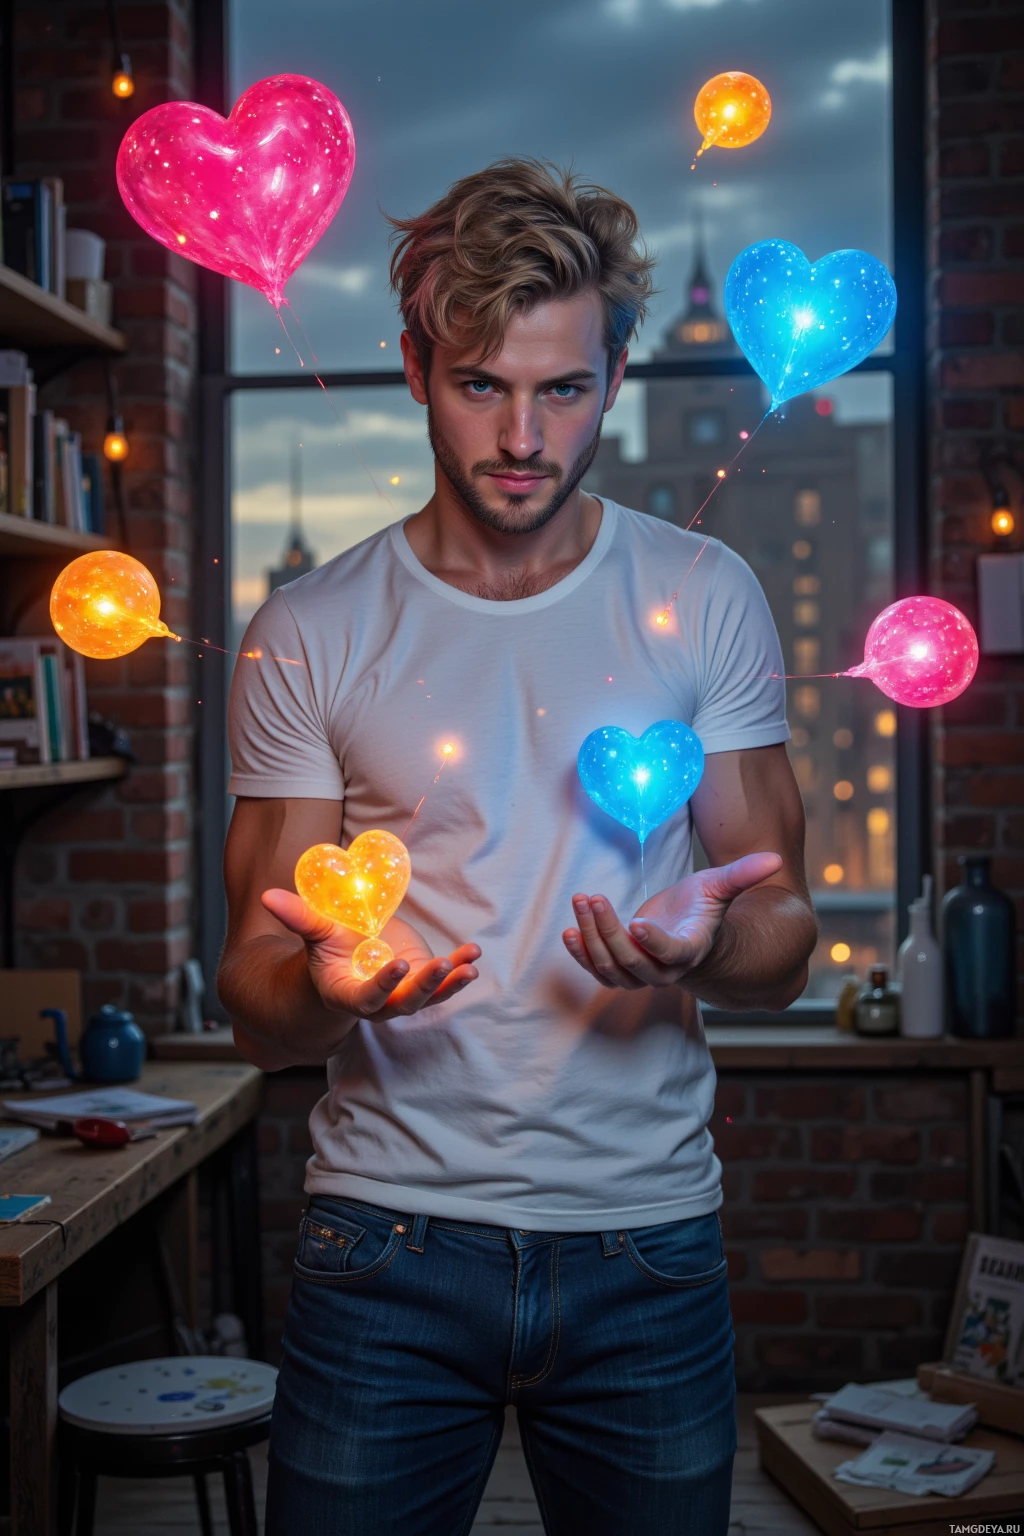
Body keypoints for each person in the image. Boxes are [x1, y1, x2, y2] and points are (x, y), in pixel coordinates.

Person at [220, 158, 817, 1536]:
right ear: (419, 371)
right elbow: (249, 994)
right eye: (483, 384)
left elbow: (784, 944)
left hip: (646, 1250)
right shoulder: (311, 628)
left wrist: (712, 939)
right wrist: (324, 988)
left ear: (612, 379)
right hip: (384, 1244)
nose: (524, 436)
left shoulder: (701, 593)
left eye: (562, 388)